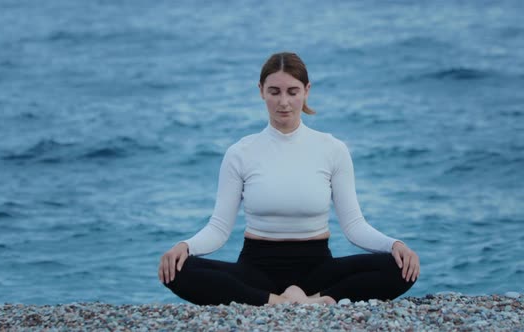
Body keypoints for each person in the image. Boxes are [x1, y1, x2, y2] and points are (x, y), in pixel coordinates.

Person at [158, 52, 420, 306]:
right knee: (179, 269)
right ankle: (276, 302)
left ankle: (318, 301)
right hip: (256, 271)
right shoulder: (240, 153)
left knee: (399, 266)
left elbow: (354, 226)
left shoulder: (332, 149)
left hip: (318, 270)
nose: (283, 101)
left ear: (306, 90)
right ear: (261, 90)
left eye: (292, 92)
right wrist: (186, 246)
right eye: (274, 91)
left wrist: (394, 244)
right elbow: (218, 228)